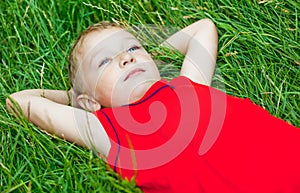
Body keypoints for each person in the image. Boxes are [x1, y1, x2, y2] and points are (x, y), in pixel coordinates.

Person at [6, 19, 300, 193]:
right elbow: (19, 101)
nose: (127, 58)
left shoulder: (188, 83)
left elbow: (204, 28)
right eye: (105, 61)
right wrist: (76, 98)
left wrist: (154, 53)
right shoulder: (107, 131)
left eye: (133, 48)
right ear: (91, 102)